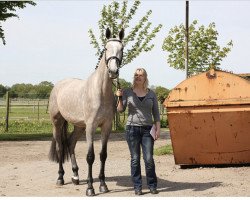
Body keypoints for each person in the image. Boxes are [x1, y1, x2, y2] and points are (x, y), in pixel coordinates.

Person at [116, 68, 161, 195]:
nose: (138, 77)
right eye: (136, 75)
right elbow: (120, 110)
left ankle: (152, 185)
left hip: (148, 130)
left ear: (145, 77)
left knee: (148, 159)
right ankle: (137, 186)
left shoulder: (151, 94)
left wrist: (157, 129)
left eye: (141, 75)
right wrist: (119, 97)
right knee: (135, 159)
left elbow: (156, 114)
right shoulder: (127, 92)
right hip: (132, 129)